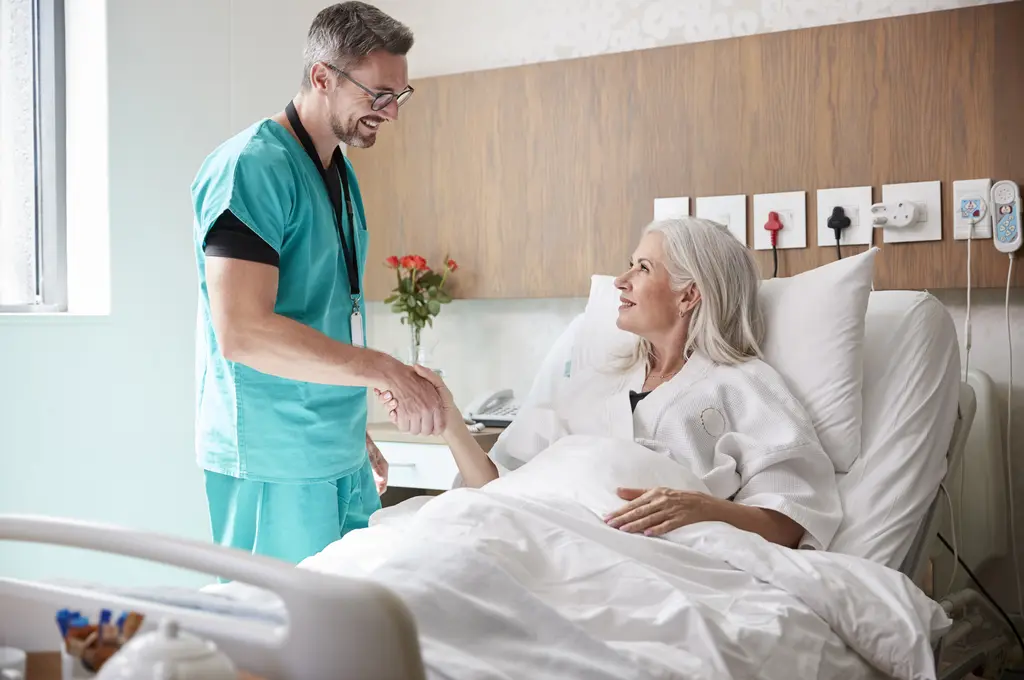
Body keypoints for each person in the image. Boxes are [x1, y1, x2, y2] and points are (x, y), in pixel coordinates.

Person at [377, 217, 843, 550]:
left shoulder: (744, 385)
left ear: (690, 293)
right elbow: (498, 489)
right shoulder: (596, 382)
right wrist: (449, 419)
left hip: (645, 559)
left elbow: (789, 521)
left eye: (642, 268)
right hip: (542, 538)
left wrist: (700, 507)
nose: (621, 280)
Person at [189, 2, 445, 565]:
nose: (391, 112)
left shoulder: (339, 172)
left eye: (398, 96)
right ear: (322, 77)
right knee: (283, 636)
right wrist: (383, 371)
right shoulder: (252, 168)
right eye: (378, 94)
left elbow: (325, 312)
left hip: (335, 449)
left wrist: (351, 426)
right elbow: (244, 332)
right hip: (272, 455)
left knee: (344, 630)